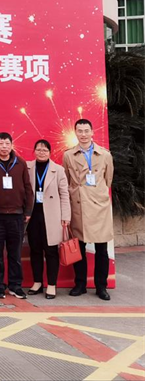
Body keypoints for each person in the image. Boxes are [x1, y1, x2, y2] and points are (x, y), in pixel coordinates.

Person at [63, 119, 114, 301]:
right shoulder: (68, 155)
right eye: (80, 131)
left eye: (86, 131)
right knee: (79, 248)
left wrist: (97, 194)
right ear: (75, 133)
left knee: (102, 250)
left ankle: (101, 286)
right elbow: (67, 180)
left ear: (92, 132)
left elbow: (108, 179)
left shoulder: (105, 155)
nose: (83, 134)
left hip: (99, 207)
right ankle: (80, 284)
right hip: (78, 206)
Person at [0, 132, 33, 299]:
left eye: (7, 143)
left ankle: (15, 285)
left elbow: (28, 188)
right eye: (1, 143)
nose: (4, 147)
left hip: (16, 216)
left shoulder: (20, 163)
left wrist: (28, 211)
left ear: (12, 145)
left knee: (15, 253)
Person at [26, 139, 71, 299]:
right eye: (38, 149)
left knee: (51, 251)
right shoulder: (27, 167)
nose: (41, 152)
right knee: (35, 250)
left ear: (50, 152)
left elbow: (64, 194)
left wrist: (66, 216)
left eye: (45, 150)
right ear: (34, 151)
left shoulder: (58, 170)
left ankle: (52, 284)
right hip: (33, 216)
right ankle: (37, 282)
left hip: (52, 216)